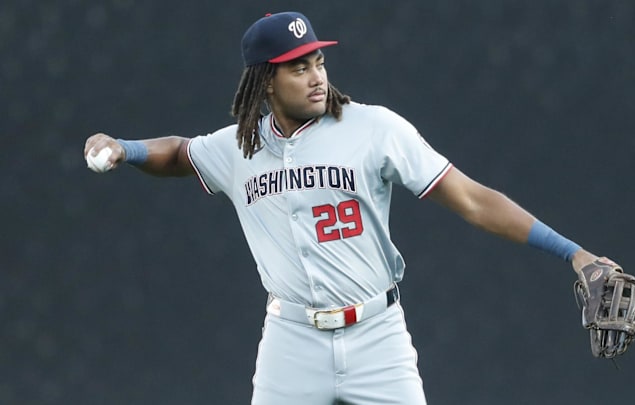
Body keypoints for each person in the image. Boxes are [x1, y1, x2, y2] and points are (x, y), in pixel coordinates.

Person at [84, 11, 601, 405]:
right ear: (265, 81)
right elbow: (178, 152)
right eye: (297, 67)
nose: (315, 76)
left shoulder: (373, 129)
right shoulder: (238, 148)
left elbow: (471, 198)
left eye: (318, 61)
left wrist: (573, 252)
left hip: (377, 333)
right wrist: (122, 147)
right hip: (291, 341)